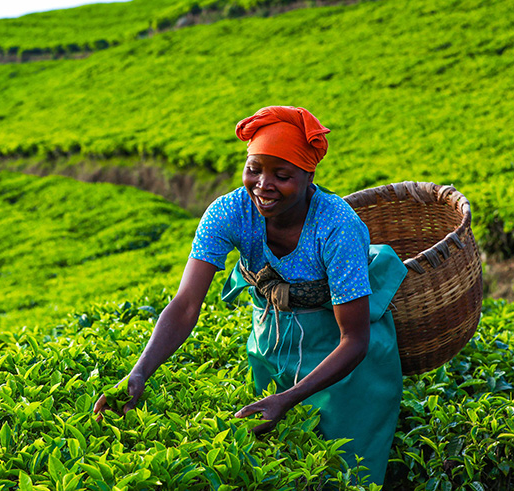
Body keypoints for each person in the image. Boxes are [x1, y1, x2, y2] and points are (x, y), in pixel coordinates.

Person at [93, 106, 405, 486]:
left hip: (347, 370)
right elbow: (186, 304)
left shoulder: (337, 227)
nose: (262, 184)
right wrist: (139, 372)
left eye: (282, 175)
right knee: (281, 469)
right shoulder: (229, 213)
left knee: (345, 473)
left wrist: (286, 400)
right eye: (254, 169)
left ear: (310, 177)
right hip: (272, 352)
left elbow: (355, 340)